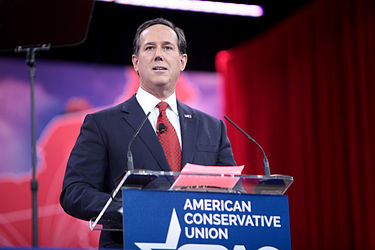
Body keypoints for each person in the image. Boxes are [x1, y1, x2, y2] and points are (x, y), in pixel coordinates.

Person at [60, 18, 236, 248]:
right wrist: (126, 208)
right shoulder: (102, 124)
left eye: (167, 47)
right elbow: (74, 192)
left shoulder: (213, 127)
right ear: (136, 62)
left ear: (182, 61)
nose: (158, 55)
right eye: (149, 48)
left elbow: (233, 191)